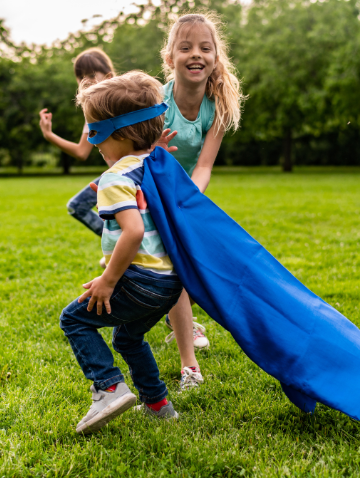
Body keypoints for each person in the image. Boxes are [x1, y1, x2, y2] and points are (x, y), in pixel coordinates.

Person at [59, 71, 184, 434]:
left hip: (140, 280)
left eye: (95, 133)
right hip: (169, 284)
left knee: (75, 320)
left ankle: (109, 388)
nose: (93, 143)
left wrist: (108, 281)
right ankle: (159, 405)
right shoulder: (154, 162)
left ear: (125, 133)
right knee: (128, 338)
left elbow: (133, 231)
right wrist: (152, 146)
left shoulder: (114, 178)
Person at [157, 12, 246, 389]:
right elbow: (140, 156)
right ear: (170, 58)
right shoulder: (157, 101)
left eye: (205, 48)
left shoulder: (218, 106)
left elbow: (205, 164)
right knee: (171, 267)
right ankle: (188, 362)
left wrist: (189, 200)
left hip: (186, 191)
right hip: (148, 186)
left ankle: (180, 320)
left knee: (189, 263)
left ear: (215, 57)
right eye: (186, 47)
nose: (196, 54)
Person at [39, 48, 115, 263]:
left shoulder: (121, 99)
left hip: (135, 174)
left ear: (108, 76)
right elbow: (82, 152)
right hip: (115, 176)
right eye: (81, 77)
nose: (87, 81)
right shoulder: (91, 109)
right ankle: (117, 244)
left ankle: (121, 248)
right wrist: (49, 135)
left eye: (92, 75)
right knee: (78, 206)